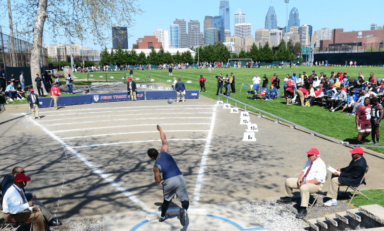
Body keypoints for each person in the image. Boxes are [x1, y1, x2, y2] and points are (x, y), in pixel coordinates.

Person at [147, 125, 189, 226]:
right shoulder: (164, 151)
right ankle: (184, 210)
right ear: (158, 151)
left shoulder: (156, 166)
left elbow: (158, 180)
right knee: (185, 199)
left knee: (166, 201)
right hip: (179, 178)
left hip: (169, 181)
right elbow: (163, 139)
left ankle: (162, 217)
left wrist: (160, 179)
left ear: (152, 157)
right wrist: (160, 130)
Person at [277, 148, 326, 219]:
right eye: (307, 155)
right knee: (288, 181)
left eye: (310, 155)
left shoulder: (321, 165)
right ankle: (288, 197)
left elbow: (318, 180)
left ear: (316, 156)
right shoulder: (309, 161)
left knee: (304, 187)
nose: (308, 156)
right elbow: (304, 171)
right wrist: (300, 178)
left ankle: (303, 208)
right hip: (305, 181)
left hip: (316, 185)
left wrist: (305, 182)